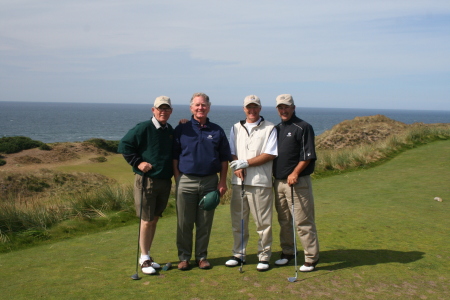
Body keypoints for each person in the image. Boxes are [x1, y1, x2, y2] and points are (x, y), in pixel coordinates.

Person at [173, 92, 232, 271]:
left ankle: (201, 257)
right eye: (197, 105)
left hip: (209, 183)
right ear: (191, 108)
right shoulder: (182, 129)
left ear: (209, 107)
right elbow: (174, 157)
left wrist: (222, 182)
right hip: (186, 180)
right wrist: (177, 178)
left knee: (205, 222)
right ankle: (184, 257)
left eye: (203, 105)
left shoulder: (216, 130)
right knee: (184, 223)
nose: (200, 108)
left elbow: (224, 159)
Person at [118, 96, 174, 275]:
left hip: (164, 181)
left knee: (154, 219)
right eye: (160, 109)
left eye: (166, 109)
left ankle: (147, 255)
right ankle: (143, 259)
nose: (163, 111)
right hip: (146, 180)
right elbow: (125, 145)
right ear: (153, 110)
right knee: (146, 220)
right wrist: (138, 162)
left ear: (170, 111)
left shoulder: (169, 129)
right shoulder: (144, 127)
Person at [227, 95, 278, 272]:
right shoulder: (235, 127)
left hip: (260, 182)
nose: (252, 110)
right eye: (249, 107)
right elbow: (231, 151)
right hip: (239, 181)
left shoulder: (270, 127)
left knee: (263, 223)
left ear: (260, 108)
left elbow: (270, 154)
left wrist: (246, 163)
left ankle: (264, 256)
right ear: (244, 109)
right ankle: (238, 254)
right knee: (238, 221)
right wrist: (236, 166)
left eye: (255, 107)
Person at [272, 94, 320, 272]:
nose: (283, 110)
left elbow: (307, 155)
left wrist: (295, 172)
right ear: (277, 109)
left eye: (287, 107)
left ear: (293, 108)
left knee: (303, 221)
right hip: (279, 183)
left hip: (297, 182)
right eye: (280, 108)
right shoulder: (276, 129)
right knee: (284, 220)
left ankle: (311, 258)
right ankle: (287, 252)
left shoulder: (303, 127)